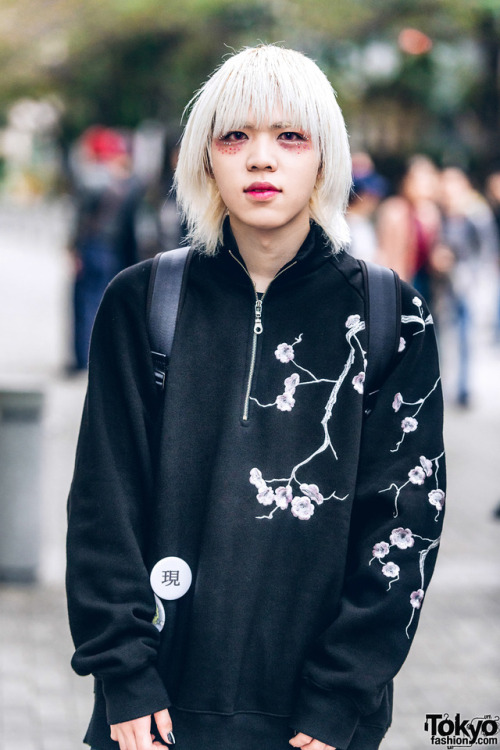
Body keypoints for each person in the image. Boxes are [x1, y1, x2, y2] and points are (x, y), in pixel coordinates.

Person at [66, 45, 446, 750]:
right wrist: (122, 674)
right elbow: (102, 504)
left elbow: (404, 525)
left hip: (319, 724)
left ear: (325, 159)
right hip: (156, 714)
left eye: (290, 137)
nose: (261, 159)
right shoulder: (143, 302)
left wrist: (341, 699)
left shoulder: (394, 315)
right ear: (205, 159)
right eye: (235, 136)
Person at [68, 126, 143, 371]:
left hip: (91, 247)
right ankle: (98, 355)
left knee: (84, 302)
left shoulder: (92, 178)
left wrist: (73, 248)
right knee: (102, 301)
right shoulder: (126, 182)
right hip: (112, 250)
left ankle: (82, 358)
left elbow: (80, 220)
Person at [376, 155, 441, 302]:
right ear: (406, 181)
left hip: (425, 281)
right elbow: (385, 253)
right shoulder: (394, 210)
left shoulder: (430, 213)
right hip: (400, 280)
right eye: (418, 180)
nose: (424, 185)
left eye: (428, 179)